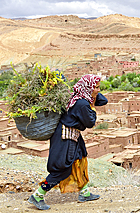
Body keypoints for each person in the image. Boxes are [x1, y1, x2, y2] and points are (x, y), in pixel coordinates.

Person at [28, 74, 108, 210]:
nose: (98, 90)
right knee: (63, 168)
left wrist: (93, 94)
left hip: (73, 134)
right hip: (65, 137)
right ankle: (38, 195)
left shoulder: (79, 97)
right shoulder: (82, 104)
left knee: (80, 159)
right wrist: (92, 106)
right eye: (96, 87)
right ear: (87, 88)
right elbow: (90, 122)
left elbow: (103, 101)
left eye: (98, 87)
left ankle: (84, 192)